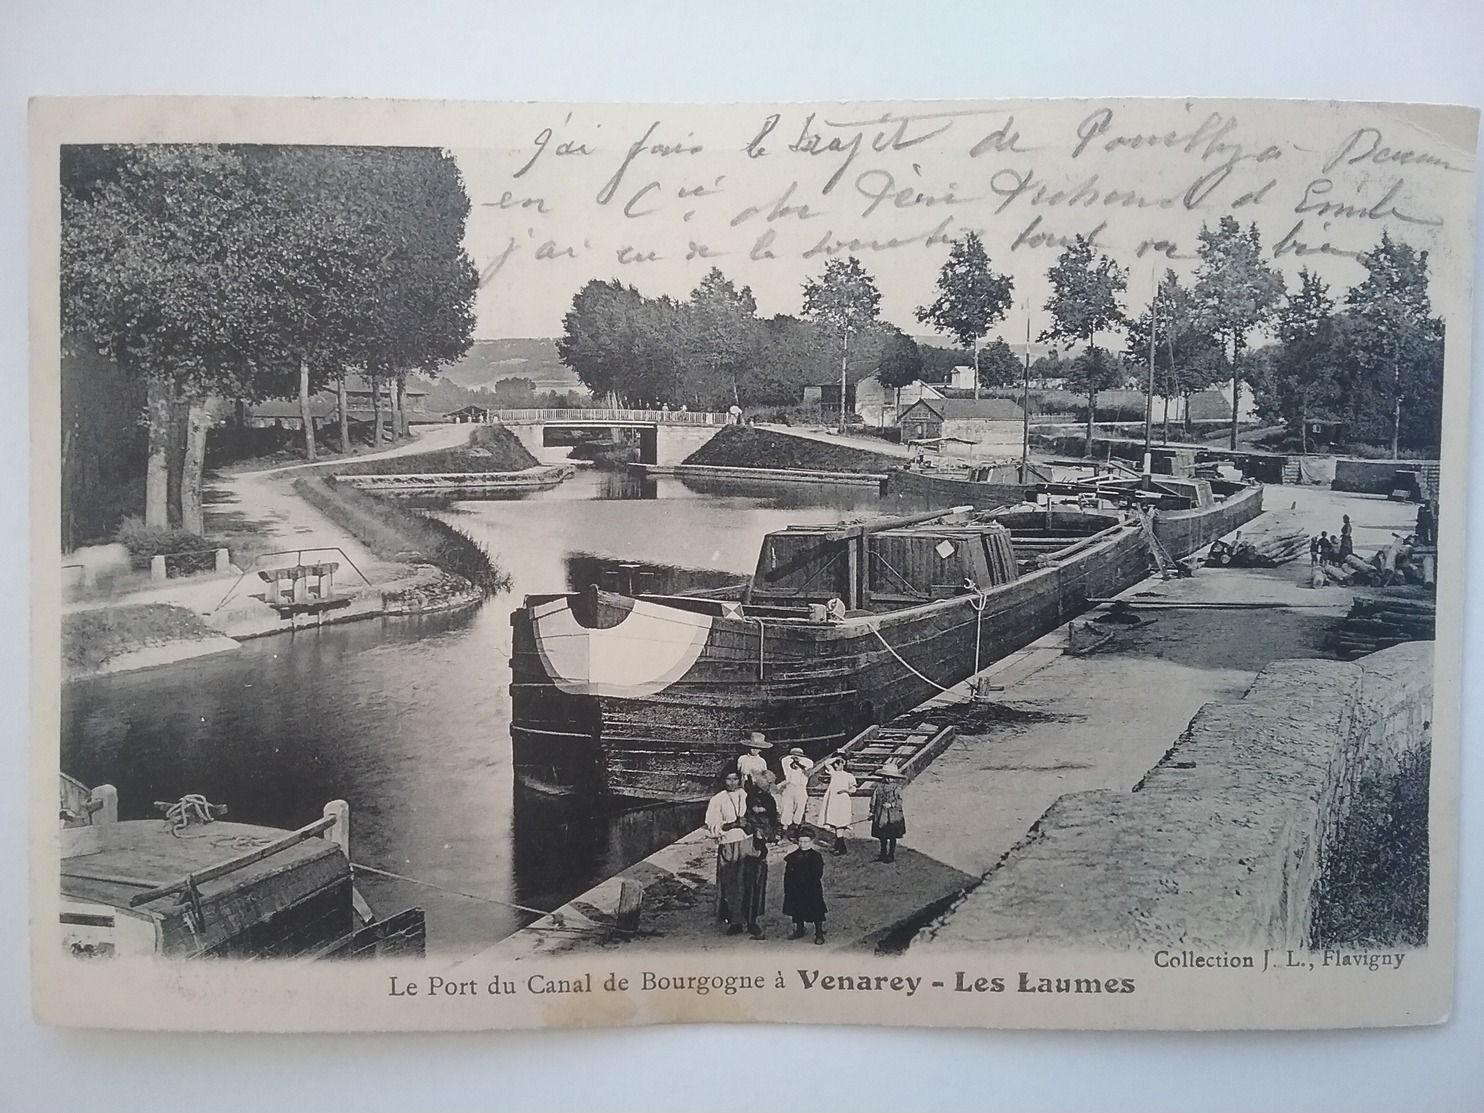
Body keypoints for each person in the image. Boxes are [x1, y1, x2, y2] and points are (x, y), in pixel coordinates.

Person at [704, 773, 752, 935]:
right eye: (728, 779)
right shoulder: (717, 799)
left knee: (748, 881)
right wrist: (732, 825)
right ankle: (735, 921)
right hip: (728, 844)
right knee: (731, 884)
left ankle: (751, 920)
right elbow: (712, 826)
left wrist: (750, 825)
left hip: (748, 842)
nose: (732, 782)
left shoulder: (747, 795)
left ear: (740, 780)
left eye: (735, 779)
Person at [782, 834, 828, 944]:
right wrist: (788, 887)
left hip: (811, 887)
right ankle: (799, 928)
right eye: (801, 841)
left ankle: (818, 932)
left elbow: (818, 873)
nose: (803, 844)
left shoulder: (816, 856)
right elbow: (788, 874)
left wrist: (807, 879)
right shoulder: (792, 857)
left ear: (811, 842)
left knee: (816, 909)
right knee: (797, 908)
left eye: (806, 842)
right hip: (796, 887)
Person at [870, 764, 908, 862]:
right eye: (886, 777)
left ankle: (891, 854)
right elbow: (873, 799)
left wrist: (892, 804)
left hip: (893, 816)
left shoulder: (897, 788)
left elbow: (900, 800)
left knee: (892, 835)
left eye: (890, 777)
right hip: (881, 815)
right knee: (882, 835)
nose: (888, 779)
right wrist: (872, 811)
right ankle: (883, 853)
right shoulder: (879, 787)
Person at [821, 756, 857, 856]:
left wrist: (846, 790)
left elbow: (853, 789)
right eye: (835, 764)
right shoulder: (833, 773)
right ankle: (838, 846)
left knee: (840, 823)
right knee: (835, 823)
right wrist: (836, 758)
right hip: (833, 801)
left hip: (843, 800)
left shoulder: (848, 775)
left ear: (843, 764)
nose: (836, 765)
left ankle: (841, 848)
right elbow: (827, 763)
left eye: (839, 763)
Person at [777, 747, 814, 837]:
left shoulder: (807, 764)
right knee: (786, 807)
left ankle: (796, 830)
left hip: (801, 788)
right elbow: (785, 761)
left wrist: (799, 762)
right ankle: (784, 831)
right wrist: (793, 760)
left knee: (800, 809)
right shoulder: (787, 763)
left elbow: (808, 769)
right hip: (790, 786)